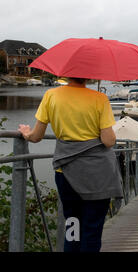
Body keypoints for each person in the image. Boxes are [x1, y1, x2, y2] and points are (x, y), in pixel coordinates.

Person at [18, 77, 123, 252]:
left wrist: (26, 133)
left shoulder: (51, 95)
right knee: (92, 229)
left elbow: (36, 137)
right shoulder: (99, 98)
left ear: (66, 74)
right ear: (88, 76)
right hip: (98, 175)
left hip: (65, 172)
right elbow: (109, 140)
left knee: (72, 224)